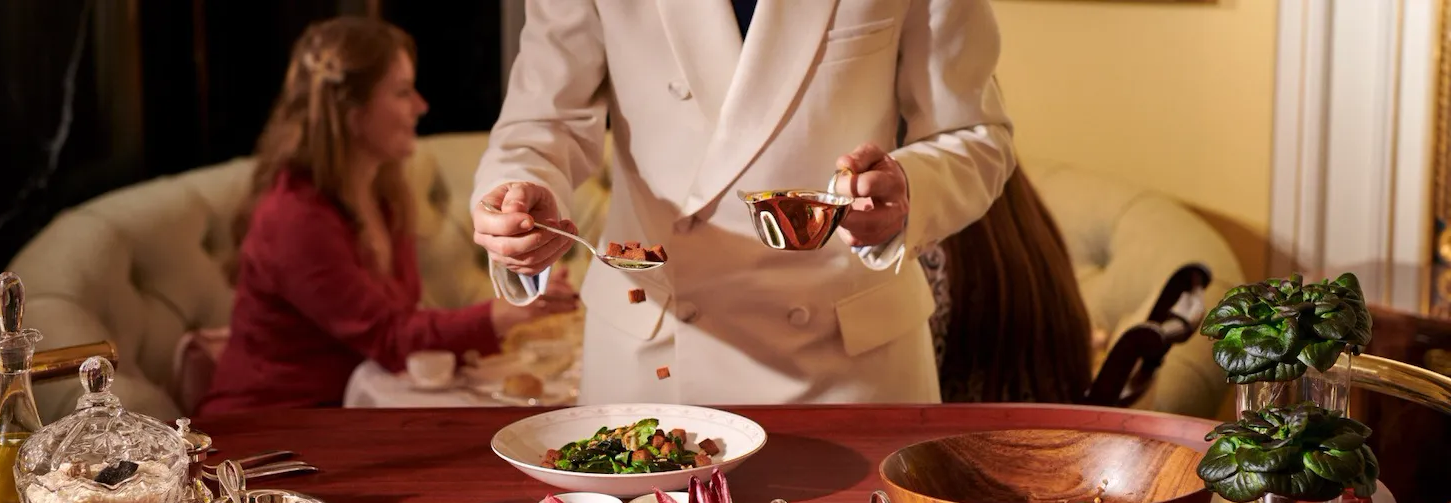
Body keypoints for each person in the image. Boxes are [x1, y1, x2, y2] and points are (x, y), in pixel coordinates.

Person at [471, 1, 1014, 404]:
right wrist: (518, 188)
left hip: (847, 370)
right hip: (656, 361)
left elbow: (976, 134)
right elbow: (542, 121)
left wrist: (910, 192)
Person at [199, 17, 577, 415]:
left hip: (340, 414)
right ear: (351, 112)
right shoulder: (294, 216)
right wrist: (501, 315)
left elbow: (396, 324)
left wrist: (510, 310)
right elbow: (388, 338)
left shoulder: (384, 193)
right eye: (402, 92)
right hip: (268, 425)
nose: (420, 105)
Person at [923, 166, 1094, 403]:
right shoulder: (1027, 220)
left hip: (986, 434)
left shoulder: (933, 249)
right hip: (1056, 425)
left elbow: (906, 383)